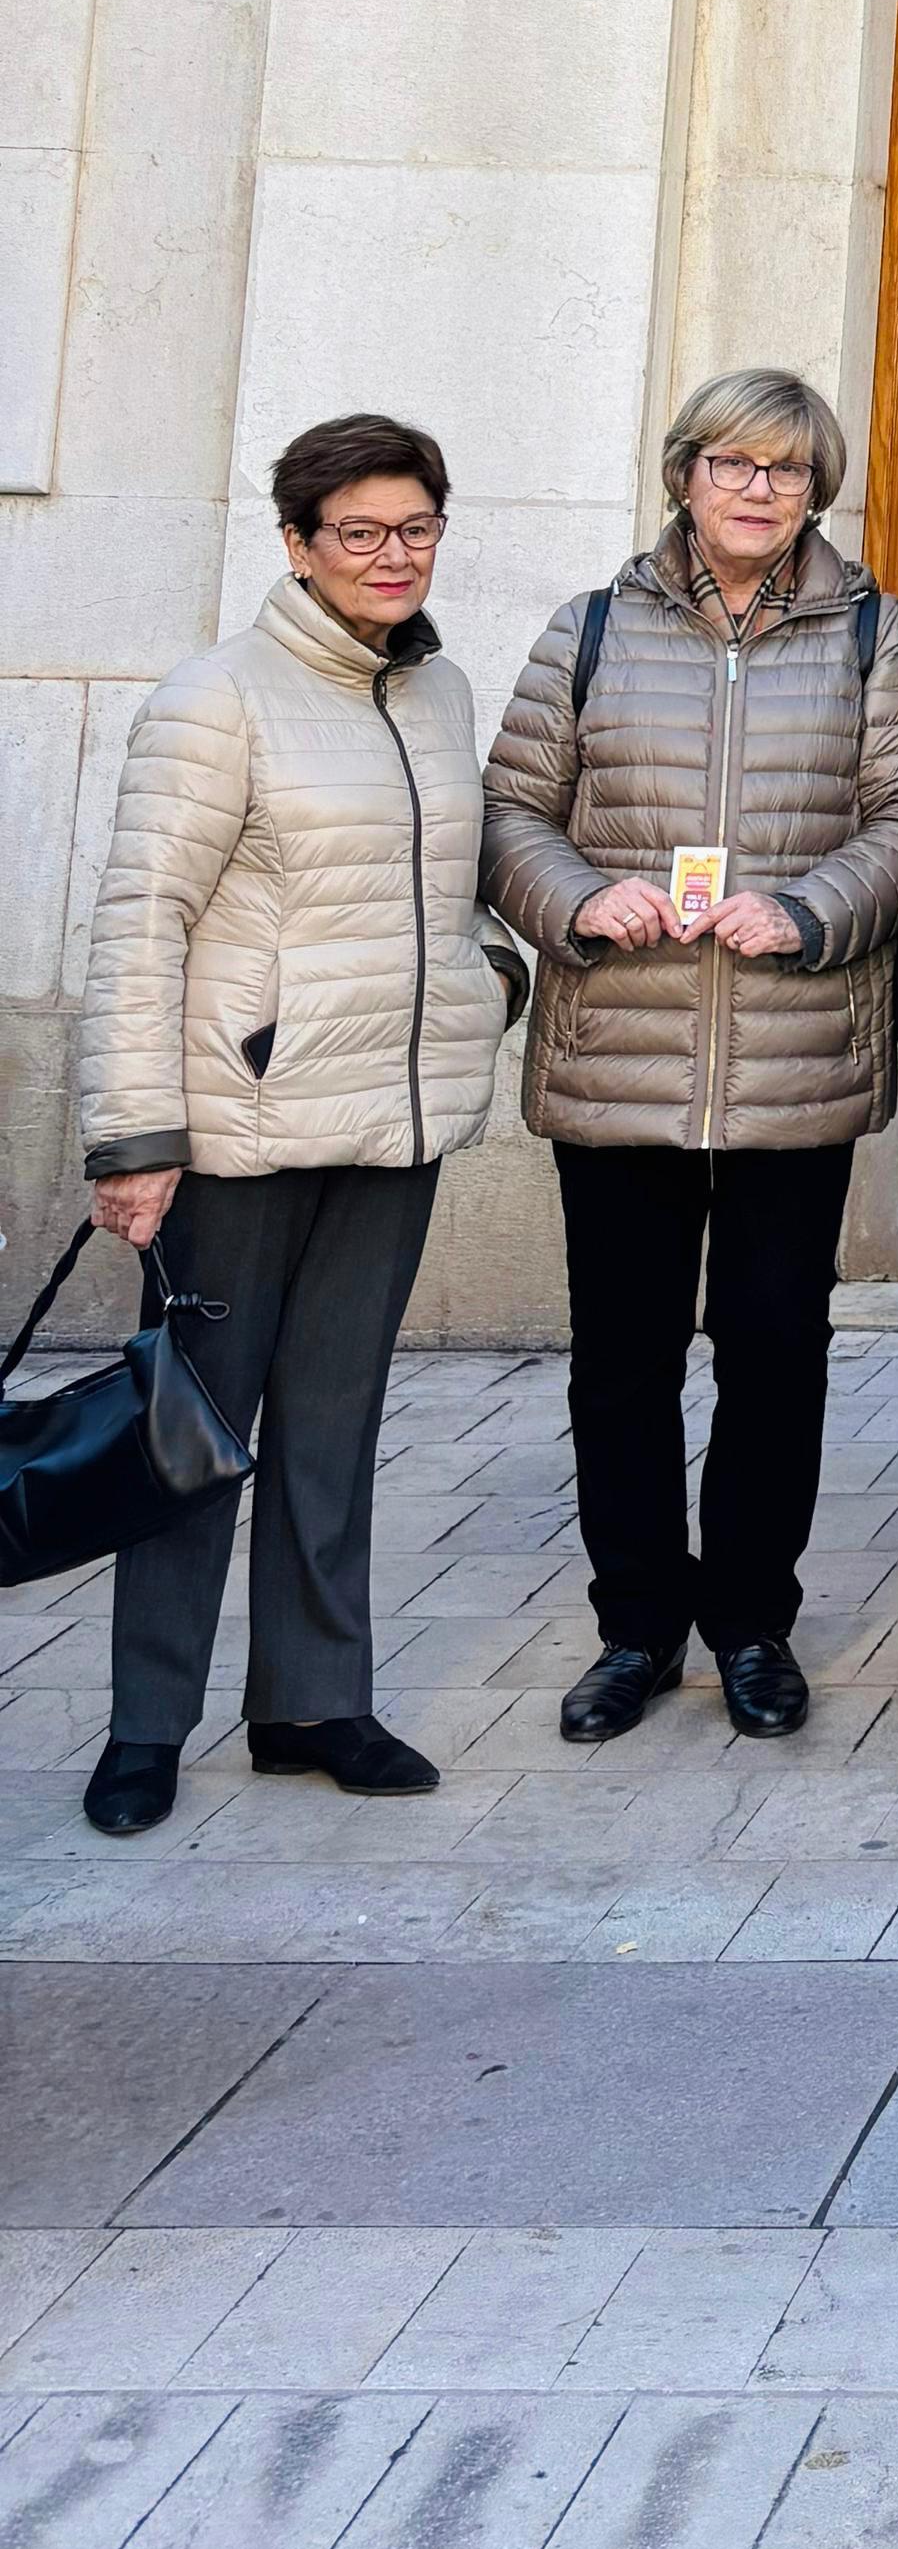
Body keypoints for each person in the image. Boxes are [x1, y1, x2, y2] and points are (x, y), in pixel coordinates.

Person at [71, 416, 522, 1838]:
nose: (393, 557)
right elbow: (144, 918)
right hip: (240, 1125)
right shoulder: (218, 699)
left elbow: (453, 885)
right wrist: (135, 1133)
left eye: (417, 529)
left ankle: (314, 1702)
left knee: (334, 1426)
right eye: (361, 532)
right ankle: (148, 1725)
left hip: (390, 1123)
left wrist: (484, 982)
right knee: (194, 1436)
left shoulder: (440, 692)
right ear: (298, 544)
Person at [486, 368, 898, 1746]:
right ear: (685, 472)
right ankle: (635, 1628)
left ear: (817, 491)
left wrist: (808, 912)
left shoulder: (872, 630)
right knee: (620, 1364)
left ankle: (750, 1622)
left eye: (788, 472)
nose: (759, 491)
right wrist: (575, 899)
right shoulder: (592, 631)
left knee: (775, 1355)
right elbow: (510, 810)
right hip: (618, 1053)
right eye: (734, 465)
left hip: (790, 1062)